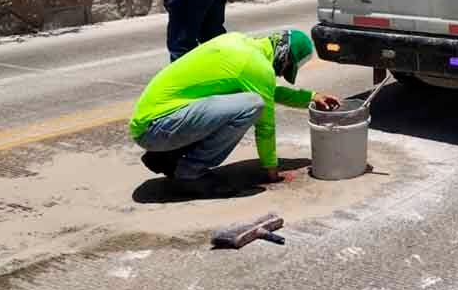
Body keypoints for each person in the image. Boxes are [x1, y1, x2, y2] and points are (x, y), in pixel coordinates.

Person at [129, 29, 340, 197]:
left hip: (155, 123)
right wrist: (271, 169)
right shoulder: (257, 67)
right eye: (285, 70)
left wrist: (311, 97)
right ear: (284, 58)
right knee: (253, 105)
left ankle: (167, 156)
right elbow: (265, 126)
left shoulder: (242, 46)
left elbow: (267, 90)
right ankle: (191, 173)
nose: (280, 74)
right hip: (157, 129)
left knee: (245, 101)